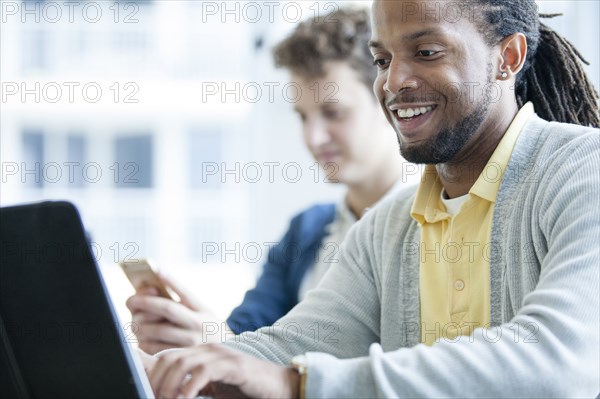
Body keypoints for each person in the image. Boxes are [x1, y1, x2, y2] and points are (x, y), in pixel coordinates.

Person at [143, 0, 600, 397]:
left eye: (425, 52)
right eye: (382, 60)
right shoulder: (387, 227)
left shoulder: (582, 172)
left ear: (508, 57)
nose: (394, 81)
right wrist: (156, 371)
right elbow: (291, 345)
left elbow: (558, 360)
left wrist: (299, 385)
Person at [126, 8, 412, 355]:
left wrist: (222, 348)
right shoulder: (306, 231)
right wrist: (199, 338)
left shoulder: (432, 226)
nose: (313, 137)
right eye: (302, 116)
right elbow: (248, 333)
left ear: (386, 99)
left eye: (333, 113)